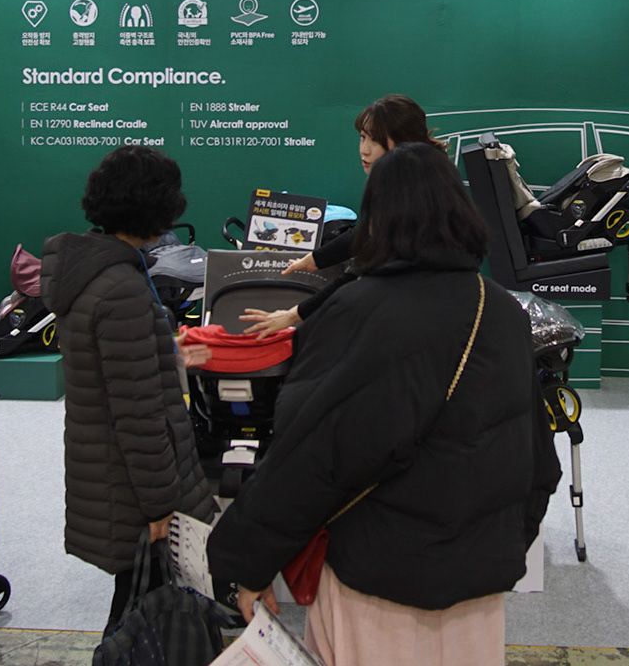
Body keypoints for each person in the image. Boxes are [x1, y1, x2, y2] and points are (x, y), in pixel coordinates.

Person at [208, 143, 560, 666]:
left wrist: (246, 561)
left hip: (378, 579)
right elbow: (535, 454)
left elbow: (315, 457)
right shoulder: (501, 309)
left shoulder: (358, 310)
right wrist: (496, 545)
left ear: (378, 217)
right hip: (477, 587)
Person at [47, 144, 216, 629]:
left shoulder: (92, 271)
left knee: (138, 605)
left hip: (109, 471)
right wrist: (162, 506)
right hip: (135, 486)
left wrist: (168, 349)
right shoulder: (121, 288)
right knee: (140, 617)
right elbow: (139, 415)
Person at [245, 94, 446, 333]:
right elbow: (366, 233)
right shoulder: (414, 179)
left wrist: (293, 315)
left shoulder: (411, 195)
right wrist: (314, 260)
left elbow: (360, 269)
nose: (364, 150)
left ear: (404, 142)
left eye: (375, 140)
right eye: (362, 137)